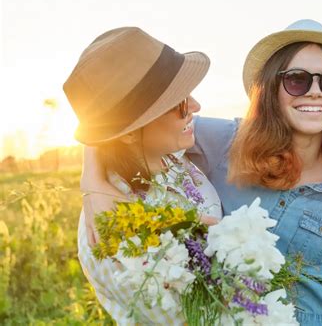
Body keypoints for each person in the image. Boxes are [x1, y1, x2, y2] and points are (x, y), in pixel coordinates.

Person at [82, 20, 322, 325]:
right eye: (297, 79)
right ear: (271, 88)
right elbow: (126, 124)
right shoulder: (225, 142)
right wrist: (93, 182)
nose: (315, 92)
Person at [64, 26, 222, 325]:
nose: (196, 107)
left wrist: (92, 177)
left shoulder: (172, 154)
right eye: (178, 102)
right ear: (128, 132)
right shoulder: (111, 233)